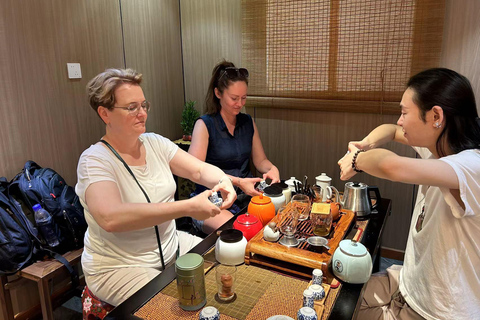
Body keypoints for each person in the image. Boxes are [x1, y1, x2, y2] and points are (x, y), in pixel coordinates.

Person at [76, 68, 236, 306]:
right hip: (120, 267)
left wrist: (223, 180)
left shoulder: (154, 143)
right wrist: (188, 207)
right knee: (175, 305)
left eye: (144, 105)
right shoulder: (94, 161)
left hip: (171, 246)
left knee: (230, 256)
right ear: (104, 113)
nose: (142, 114)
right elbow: (111, 218)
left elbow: (198, 170)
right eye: (131, 107)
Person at [338, 68, 480, 320]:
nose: (401, 120)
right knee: (336, 297)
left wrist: (357, 160)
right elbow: (390, 130)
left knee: (339, 311)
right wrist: (364, 145)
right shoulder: (439, 149)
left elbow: (391, 167)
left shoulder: (471, 167)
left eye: (405, 113)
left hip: (437, 311)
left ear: (436, 116)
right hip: (409, 281)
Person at [188, 60, 280, 234]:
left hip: (245, 198)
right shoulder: (204, 125)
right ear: (218, 93)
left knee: (273, 225)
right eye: (234, 98)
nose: (240, 103)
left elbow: (261, 161)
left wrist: (272, 168)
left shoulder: (247, 122)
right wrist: (238, 182)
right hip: (212, 200)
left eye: (244, 98)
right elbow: (195, 173)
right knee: (239, 233)